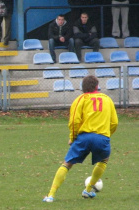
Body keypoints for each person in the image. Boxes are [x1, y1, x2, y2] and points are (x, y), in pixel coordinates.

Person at [43, 75, 118, 203]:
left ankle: (51, 195)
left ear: (82, 88)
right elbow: (114, 122)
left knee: (67, 163)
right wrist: (106, 135)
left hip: (83, 137)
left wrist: (72, 138)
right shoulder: (107, 99)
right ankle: (88, 190)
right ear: (97, 86)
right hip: (102, 137)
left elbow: (74, 121)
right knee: (104, 160)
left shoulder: (80, 100)